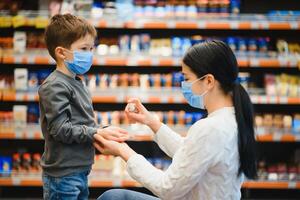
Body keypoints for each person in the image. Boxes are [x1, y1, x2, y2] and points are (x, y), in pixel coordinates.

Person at [94, 40, 257, 200]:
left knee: (113, 197)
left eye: (186, 78)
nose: (184, 85)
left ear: (208, 81)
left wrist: (123, 151)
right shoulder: (234, 120)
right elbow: (192, 153)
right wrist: (152, 122)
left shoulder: (210, 128)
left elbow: (167, 189)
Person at [38, 14, 129, 200]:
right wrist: (94, 133)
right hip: (63, 175)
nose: (89, 54)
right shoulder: (55, 85)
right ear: (61, 52)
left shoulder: (75, 82)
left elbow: (79, 123)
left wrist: (102, 131)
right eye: (83, 49)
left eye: (91, 48)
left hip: (79, 169)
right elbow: (60, 129)